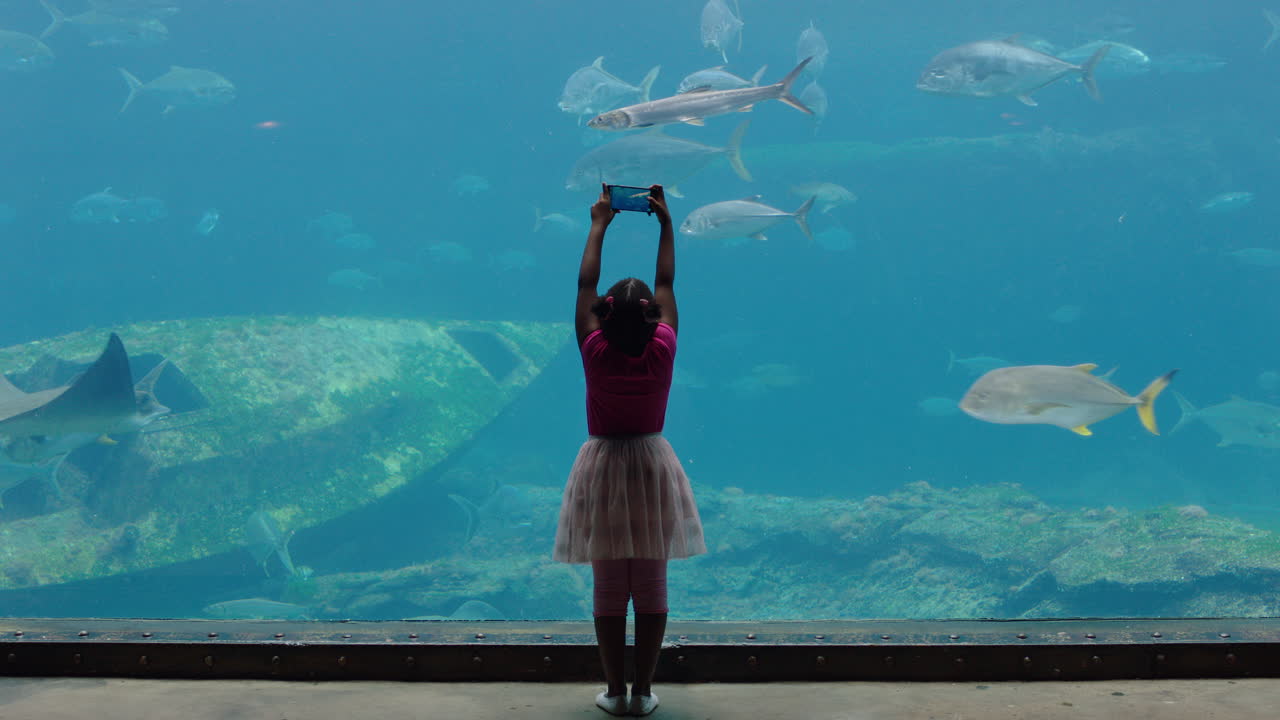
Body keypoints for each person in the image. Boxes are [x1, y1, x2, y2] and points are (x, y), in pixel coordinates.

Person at [553, 184, 706, 716]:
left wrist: (600, 222)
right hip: (650, 464)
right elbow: (666, 281)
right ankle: (645, 691)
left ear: (603, 315)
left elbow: (584, 282)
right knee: (651, 580)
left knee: (608, 582)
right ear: (649, 315)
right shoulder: (662, 347)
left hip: (601, 464)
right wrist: (665, 224)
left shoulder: (593, 349)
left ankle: (614, 692)